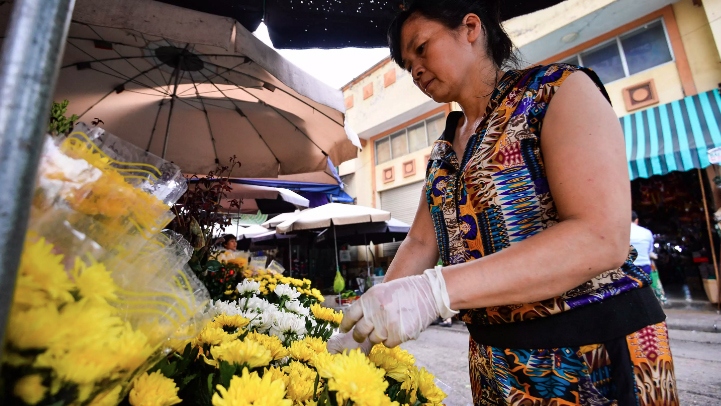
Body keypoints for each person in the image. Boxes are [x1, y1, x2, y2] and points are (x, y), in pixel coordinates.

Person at [328, 1, 678, 404]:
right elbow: (422, 243)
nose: (416, 71)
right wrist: (363, 327)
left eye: (421, 48)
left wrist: (435, 292)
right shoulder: (443, 152)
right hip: (495, 359)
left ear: (471, 28)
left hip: (592, 347)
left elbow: (600, 236)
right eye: (408, 66)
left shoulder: (557, 92)